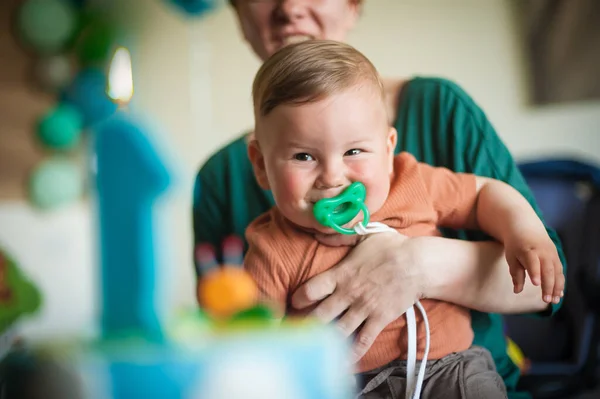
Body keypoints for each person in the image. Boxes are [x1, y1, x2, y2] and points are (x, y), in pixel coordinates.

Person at [192, 1, 567, 397]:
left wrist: (429, 261)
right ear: (261, 166)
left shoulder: (412, 173)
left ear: (390, 148)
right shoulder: (265, 242)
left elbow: (507, 227)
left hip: (454, 371)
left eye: (354, 152)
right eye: (303, 156)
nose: (333, 176)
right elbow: (244, 348)